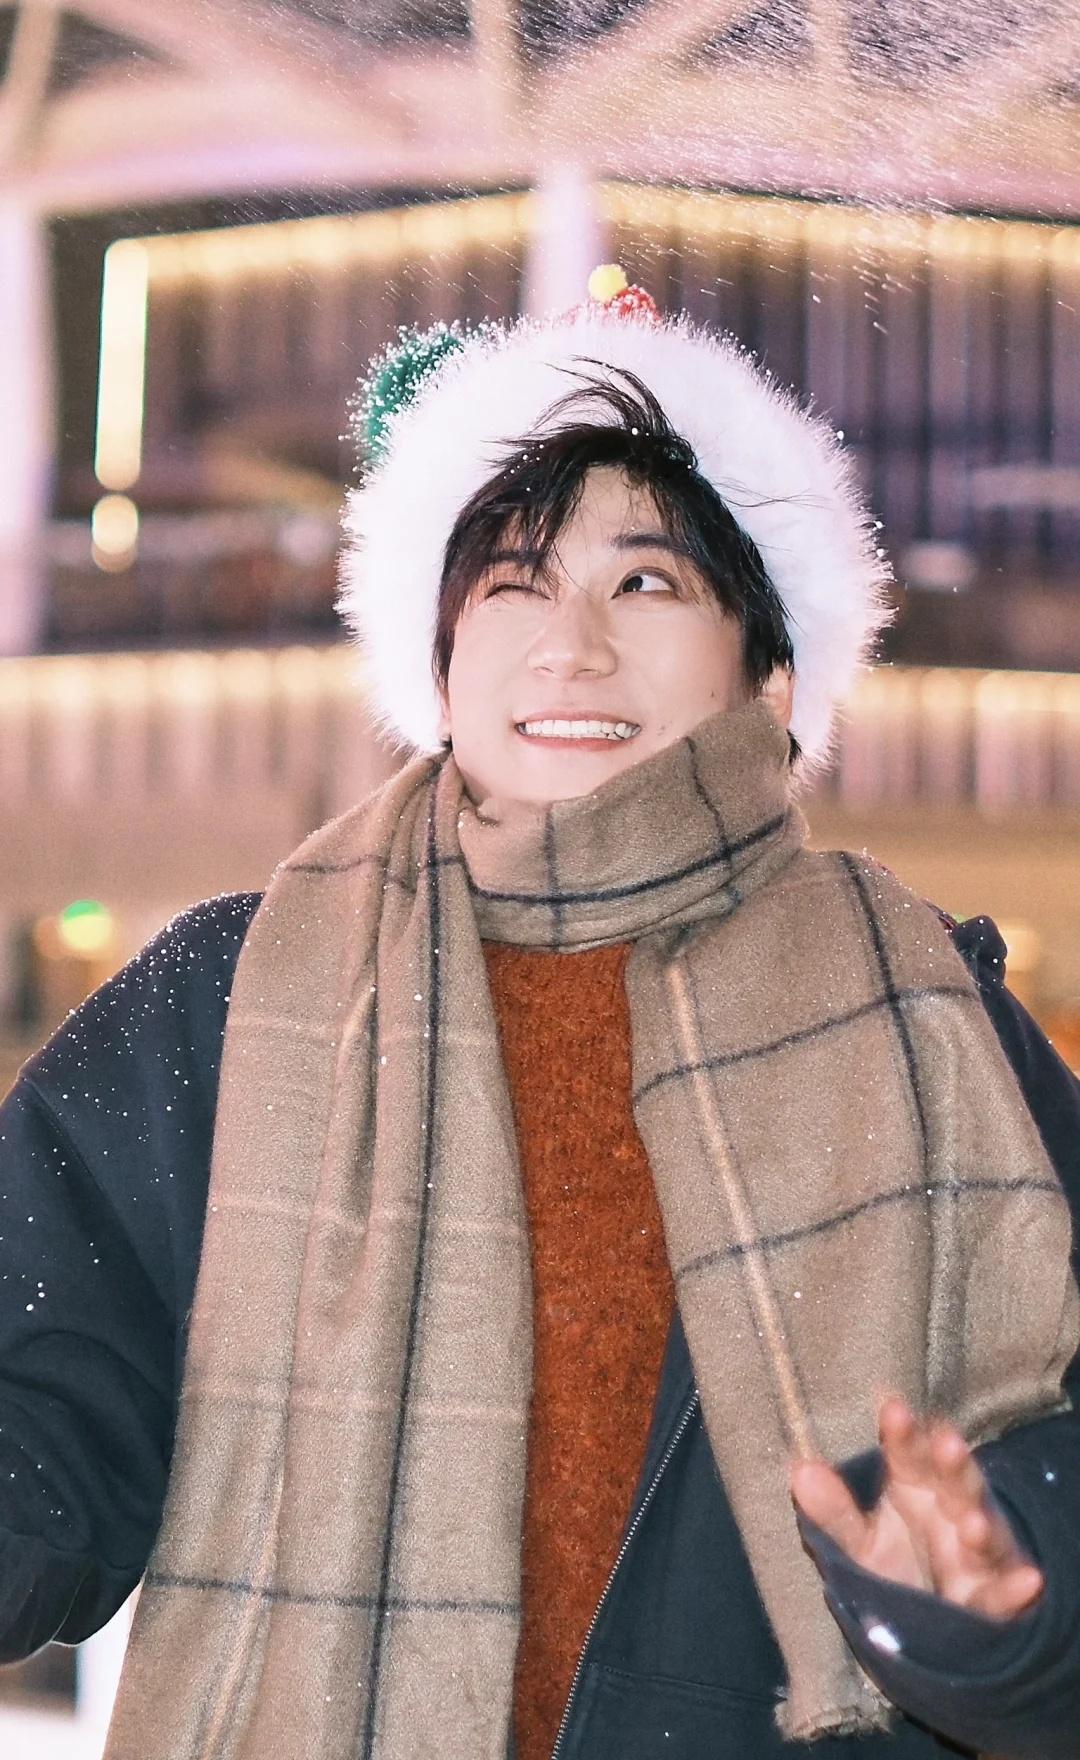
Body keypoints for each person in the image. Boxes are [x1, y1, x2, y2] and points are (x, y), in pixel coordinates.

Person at [1, 269, 1078, 1760]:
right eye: (511, 583)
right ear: (440, 667)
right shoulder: (230, 999)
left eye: (646, 583)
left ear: (772, 675)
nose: (568, 645)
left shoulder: (933, 1022)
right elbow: (51, 1414)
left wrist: (1006, 1597)